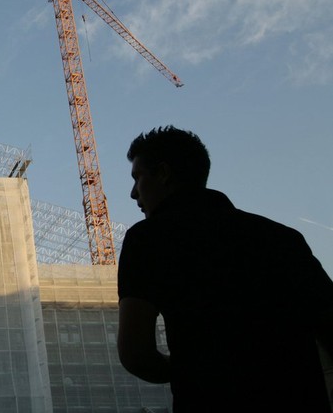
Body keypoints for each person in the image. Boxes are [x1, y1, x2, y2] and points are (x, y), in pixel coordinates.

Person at [117, 126, 333, 412]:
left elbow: (135, 354)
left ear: (164, 173)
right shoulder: (283, 238)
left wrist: (195, 373)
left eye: (138, 178)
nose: (133, 193)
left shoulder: (148, 239)